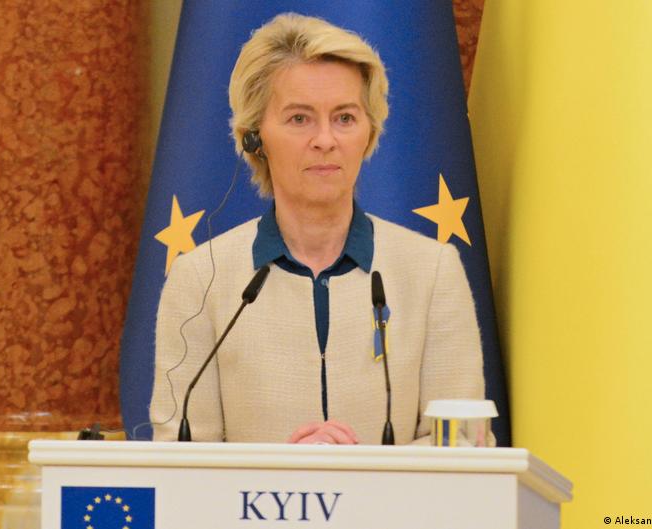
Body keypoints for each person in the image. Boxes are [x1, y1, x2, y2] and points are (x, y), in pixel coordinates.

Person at [150, 13, 493, 446]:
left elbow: (463, 443)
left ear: (369, 133)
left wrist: (361, 472)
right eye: (300, 119)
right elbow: (180, 456)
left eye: (345, 118)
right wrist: (285, 472)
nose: (326, 140)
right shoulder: (200, 279)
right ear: (254, 137)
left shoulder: (432, 270)